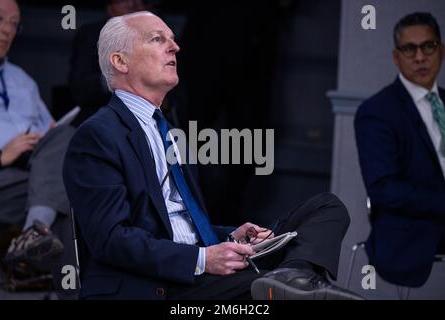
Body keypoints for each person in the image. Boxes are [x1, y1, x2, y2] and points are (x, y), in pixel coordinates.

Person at [63, 11, 361, 300]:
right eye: (157, 39)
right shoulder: (97, 136)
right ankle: (287, 287)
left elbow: (183, 226)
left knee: (325, 208)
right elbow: (112, 241)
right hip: (158, 285)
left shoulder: (172, 133)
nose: (175, 46)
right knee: (257, 289)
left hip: (201, 274)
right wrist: (203, 259)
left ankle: (291, 279)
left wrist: (231, 236)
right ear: (120, 61)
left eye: (172, 38)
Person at [355, 12, 445, 288]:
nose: (420, 57)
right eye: (409, 49)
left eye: (428, 46)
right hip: (412, 230)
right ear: (396, 57)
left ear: (441, 51)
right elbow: (383, 189)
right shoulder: (377, 112)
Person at [0, 0, 76, 296]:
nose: (7, 30)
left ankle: (32, 237)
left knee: (66, 134)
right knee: (66, 200)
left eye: (14, 23)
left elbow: (51, 127)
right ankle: (35, 242)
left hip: (33, 171)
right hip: (0, 173)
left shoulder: (22, 81)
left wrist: (49, 137)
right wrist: (0, 157)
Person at [68, 0, 150, 126]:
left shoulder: (158, 37)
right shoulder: (92, 35)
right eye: (125, 1)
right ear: (110, 8)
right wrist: (115, 77)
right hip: (103, 116)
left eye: (139, 2)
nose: (132, 6)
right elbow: (80, 89)